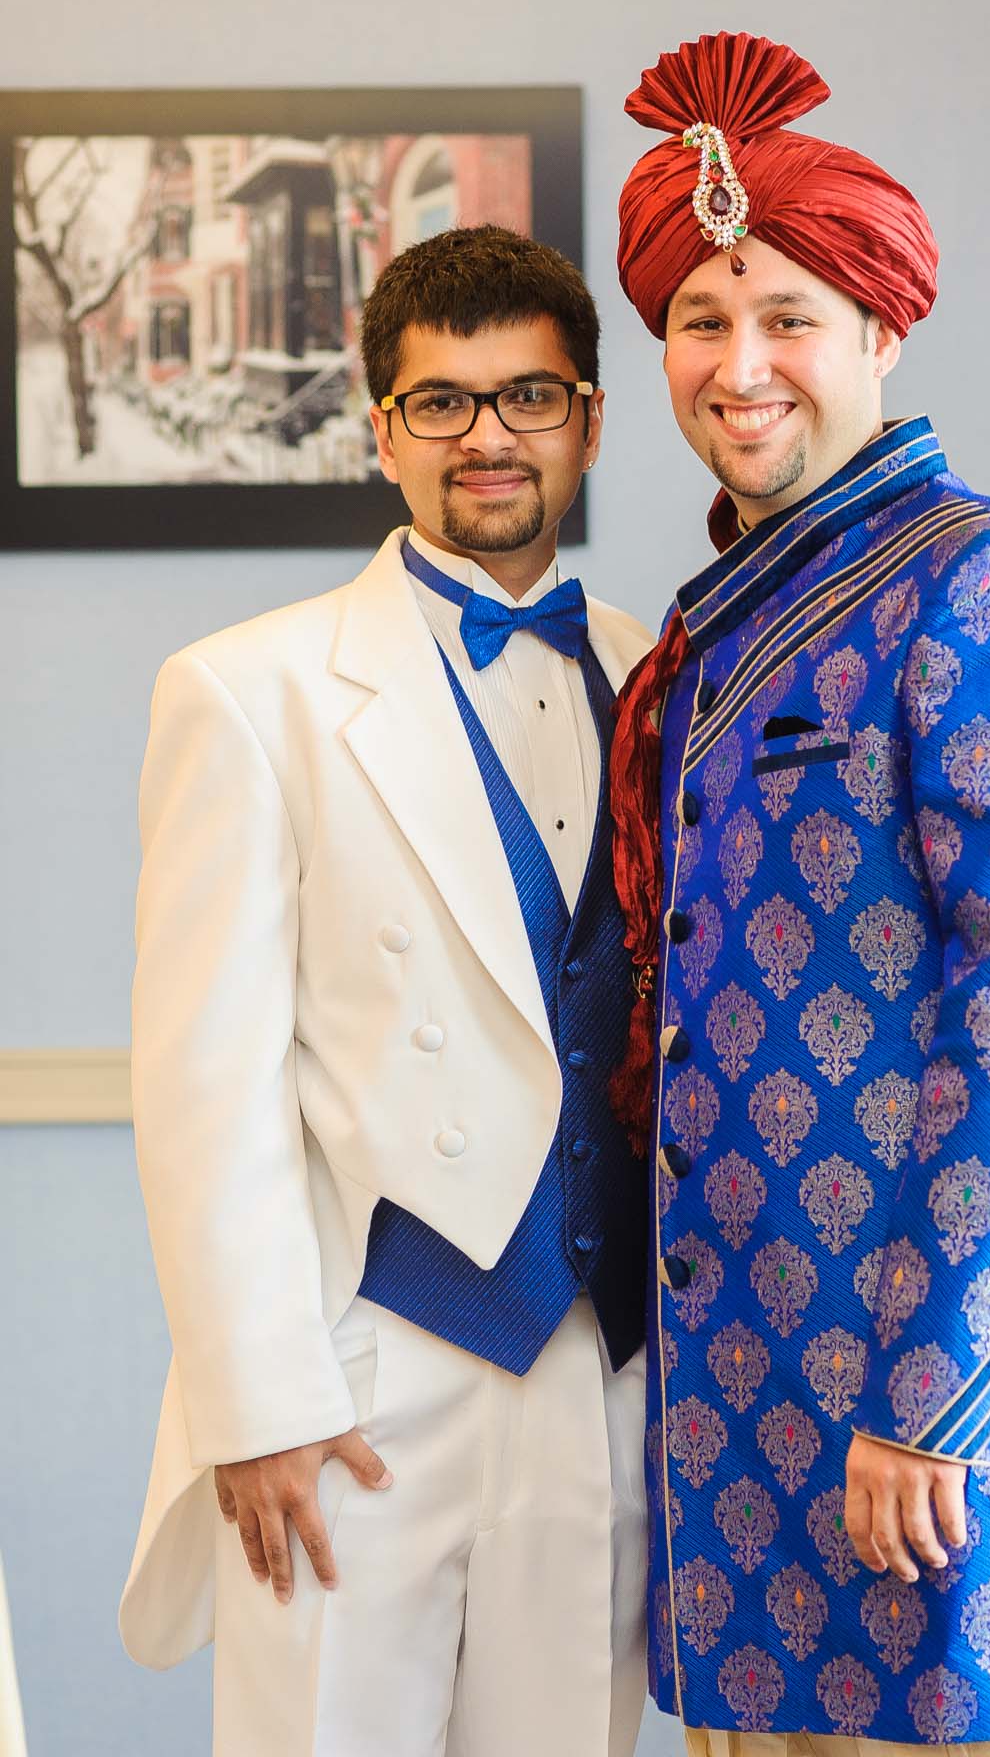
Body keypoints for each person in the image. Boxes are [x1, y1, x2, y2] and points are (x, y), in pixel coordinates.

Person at [608, 33, 990, 1754]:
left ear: (881, 331)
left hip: (938, 1434)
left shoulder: (987, 582)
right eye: (703, 321)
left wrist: (931, 1402)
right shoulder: (712, 630)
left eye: (788, 314)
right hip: (742, 1416)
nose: (743, 362)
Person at [119, 224, 652, 1757]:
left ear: (591, 419)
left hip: (597, 1368)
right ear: (383, 433)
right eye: (444, 402)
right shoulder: (249, 689)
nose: (490, 436)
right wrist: (258, 1398)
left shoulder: (662, 671)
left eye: (532, 395)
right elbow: (204, 1083)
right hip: (356, 1375)